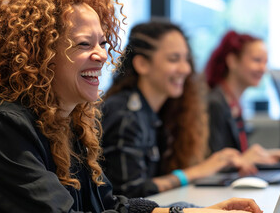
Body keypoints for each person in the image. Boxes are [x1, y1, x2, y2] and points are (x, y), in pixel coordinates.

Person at [0, 0, 263, 213]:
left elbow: (110, 204)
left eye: (102, 42)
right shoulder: (6, 126)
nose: (101, 55)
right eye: (85, 44)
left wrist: (193, 212)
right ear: (40, 56)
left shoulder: (70, 122)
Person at [101, 21, 257, 199]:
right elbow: (129, 193)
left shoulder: (160, 112)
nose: (186, 69)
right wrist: (196, 172)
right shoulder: (124, 114)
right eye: (174, 59)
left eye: (186, 59)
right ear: (142, 64)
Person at [204, 30, 280, 166]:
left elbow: (238, 156)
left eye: (265, 62)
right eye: (257, 60)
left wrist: (267, 154)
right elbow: (214, 163)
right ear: (232, 61)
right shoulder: (215, 104)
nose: (263, 69)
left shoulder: (233, 102)